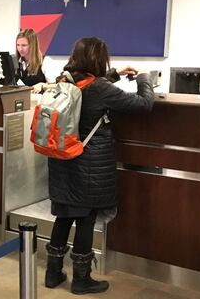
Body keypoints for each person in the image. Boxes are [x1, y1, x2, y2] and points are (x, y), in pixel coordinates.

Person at [45, 37, 153, 295]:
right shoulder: (101, 89)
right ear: (98, 59)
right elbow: (144, 104)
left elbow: (89, 88)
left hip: (63, 160)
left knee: (64, 214)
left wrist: (113, 75)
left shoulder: (65, 79)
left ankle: (53, 273)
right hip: (88, 165)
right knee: (85, 218)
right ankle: (81, 279)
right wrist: (145, 79)